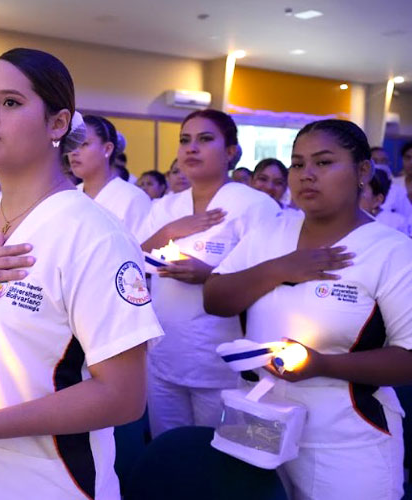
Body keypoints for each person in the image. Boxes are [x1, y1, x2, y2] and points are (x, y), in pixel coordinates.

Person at [0, 47, 163, 499]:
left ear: (58, 124)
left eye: (11, 103)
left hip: (50, 480)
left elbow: (124, 396)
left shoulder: (92, 235)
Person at [203, 119, 412, 500]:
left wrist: (322, 365)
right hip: (256, 423)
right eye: (298, 165)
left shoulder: (392, 251)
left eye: (323, 162)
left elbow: (408, 358)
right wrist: (282, 267)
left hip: (344, 439)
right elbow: (215, 299)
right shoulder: (270, 233)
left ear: (363, 171)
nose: (306, 175)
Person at [140, 109, 279, 438]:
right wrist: (170, 230)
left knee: (219, 460)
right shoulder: (164, 207)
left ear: (231, 152)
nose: (191, 148)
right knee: (169, 453)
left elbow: (274, 279)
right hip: (164, 353)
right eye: (185, 140)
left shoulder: (254, 206)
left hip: (222, 360)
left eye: (205, 139)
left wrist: (210, 274)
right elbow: (131, 261)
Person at [69, 114, 152, 242]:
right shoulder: (71, 194)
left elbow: (141, 250)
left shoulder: (133, 198)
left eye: (84, 144)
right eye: (72, 144)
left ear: (107, 149)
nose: (74, 152)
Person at [361, 168, 410, 235]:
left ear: (377, 200)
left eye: (361, 192)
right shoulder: (347, 223)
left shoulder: (396, 222)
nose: (353, 197)